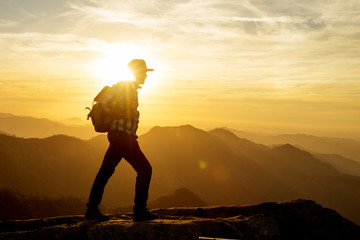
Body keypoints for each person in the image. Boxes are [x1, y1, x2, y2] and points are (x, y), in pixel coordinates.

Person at [85, 59, 158, 221]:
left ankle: (91, 209)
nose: (146, 75)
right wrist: (121, 111)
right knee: (145, 169)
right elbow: (106, 105)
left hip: (120, 136)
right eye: (144, 72)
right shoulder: (126, 89)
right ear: (136, 72)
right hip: (122, 136)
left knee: (105, 171)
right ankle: (139, 211)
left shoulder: (129, 88)